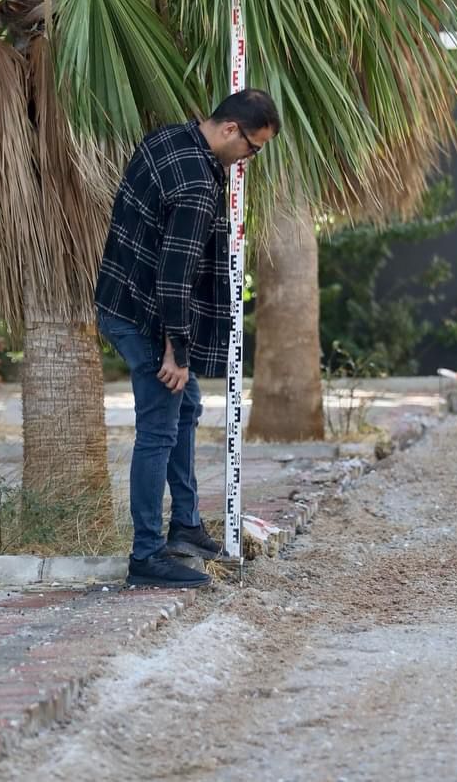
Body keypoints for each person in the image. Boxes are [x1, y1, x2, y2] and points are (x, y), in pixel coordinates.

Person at [96, 89, 281, 588]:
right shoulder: (200, 184)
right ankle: (147, 556)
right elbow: (176, 277)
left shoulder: (171, 138)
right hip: (145, 317)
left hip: (121, 296)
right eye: (252, 148)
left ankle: (185, 525)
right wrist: (176, 352)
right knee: (159, 426)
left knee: (189, 405)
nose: (250, 158)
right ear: (229, 130)